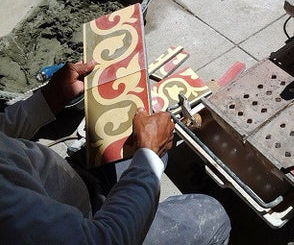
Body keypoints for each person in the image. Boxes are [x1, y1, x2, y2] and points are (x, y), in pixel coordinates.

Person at [0, 61, 231, 244]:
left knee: (144, 146)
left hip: (68, 191)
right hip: (94, 229)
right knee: (211, 214)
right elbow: (104, 240)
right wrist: (148, 154)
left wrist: (47, 100)